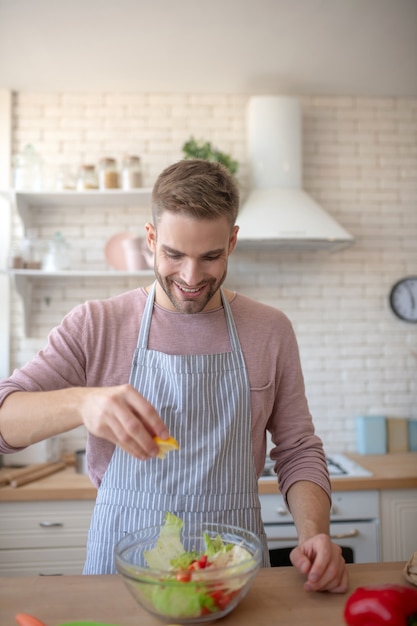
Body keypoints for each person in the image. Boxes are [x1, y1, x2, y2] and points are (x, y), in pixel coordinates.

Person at [0, 159, 347, 592]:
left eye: (210, 257)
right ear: (151, 238)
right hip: (120, 571)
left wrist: (314, 533)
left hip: (231, 571)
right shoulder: (97, 324)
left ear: (233, 242)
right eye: (174, 254)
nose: (190, 277)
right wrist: (82, 402)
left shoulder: (270, 329)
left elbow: (297, 449)